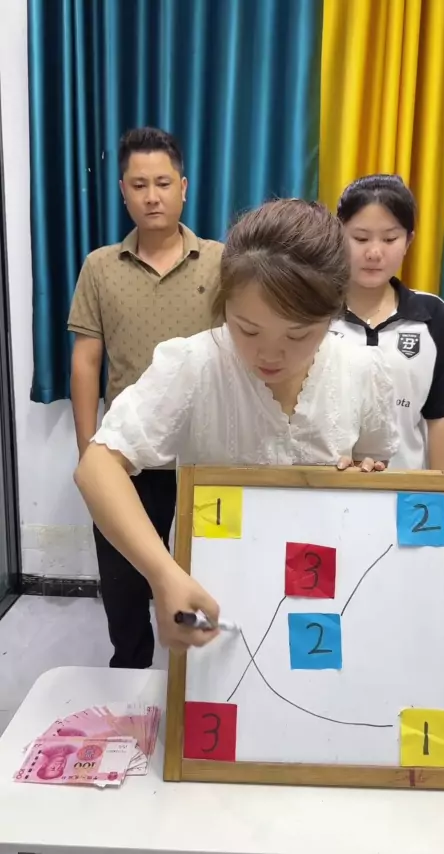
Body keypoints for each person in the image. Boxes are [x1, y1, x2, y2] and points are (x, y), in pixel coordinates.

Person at [74, 198, 399, 654]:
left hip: (324, 592)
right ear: (225, 303)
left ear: (333, 313)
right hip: (219, 597)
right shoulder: (195, 364)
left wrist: (366, 476)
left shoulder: (361, 370)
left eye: (298, 334)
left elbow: (375, 464)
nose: (270, 354)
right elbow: (96, 467)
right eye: (247, 329)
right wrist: (164, 574)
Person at [67, 127, 223, 669]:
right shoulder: (100, 266)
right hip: (126, 458)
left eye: (162, 183)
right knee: (126, 588)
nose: (152, 196)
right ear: (122, 191)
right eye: (139, 185)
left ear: (184, 187)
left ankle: (199, 682)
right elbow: (86, 362)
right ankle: (130, 671)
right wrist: (89, 450)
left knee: (202, 576)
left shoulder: (221, 262)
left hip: (204, 456)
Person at [332, 174, 444, 471]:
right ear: (338, 236)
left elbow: (441, 416)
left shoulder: (433, 315)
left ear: (408, 241)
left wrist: (440, 489)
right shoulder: (313, 312)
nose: (374, 252)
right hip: (326, 485)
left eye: (390, 239)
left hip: (405, 490)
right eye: (360, 238)